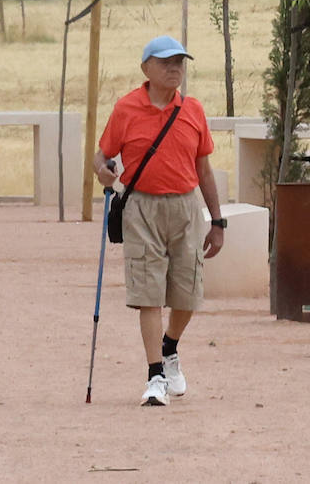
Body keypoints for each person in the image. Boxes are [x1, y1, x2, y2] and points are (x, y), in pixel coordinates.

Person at [93, 35, 225, 406]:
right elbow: (101, 156)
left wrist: (217, 221)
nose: (175, 69)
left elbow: (204, 169)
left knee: (188, 291)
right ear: (145, 68)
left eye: (180, 62)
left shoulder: (193, 110)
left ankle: (170, 346)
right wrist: (104, 172)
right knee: (148, 293)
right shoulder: (126, 108)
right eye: (166, 62)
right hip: (141, 209)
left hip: (185, 208)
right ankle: (155, 377)